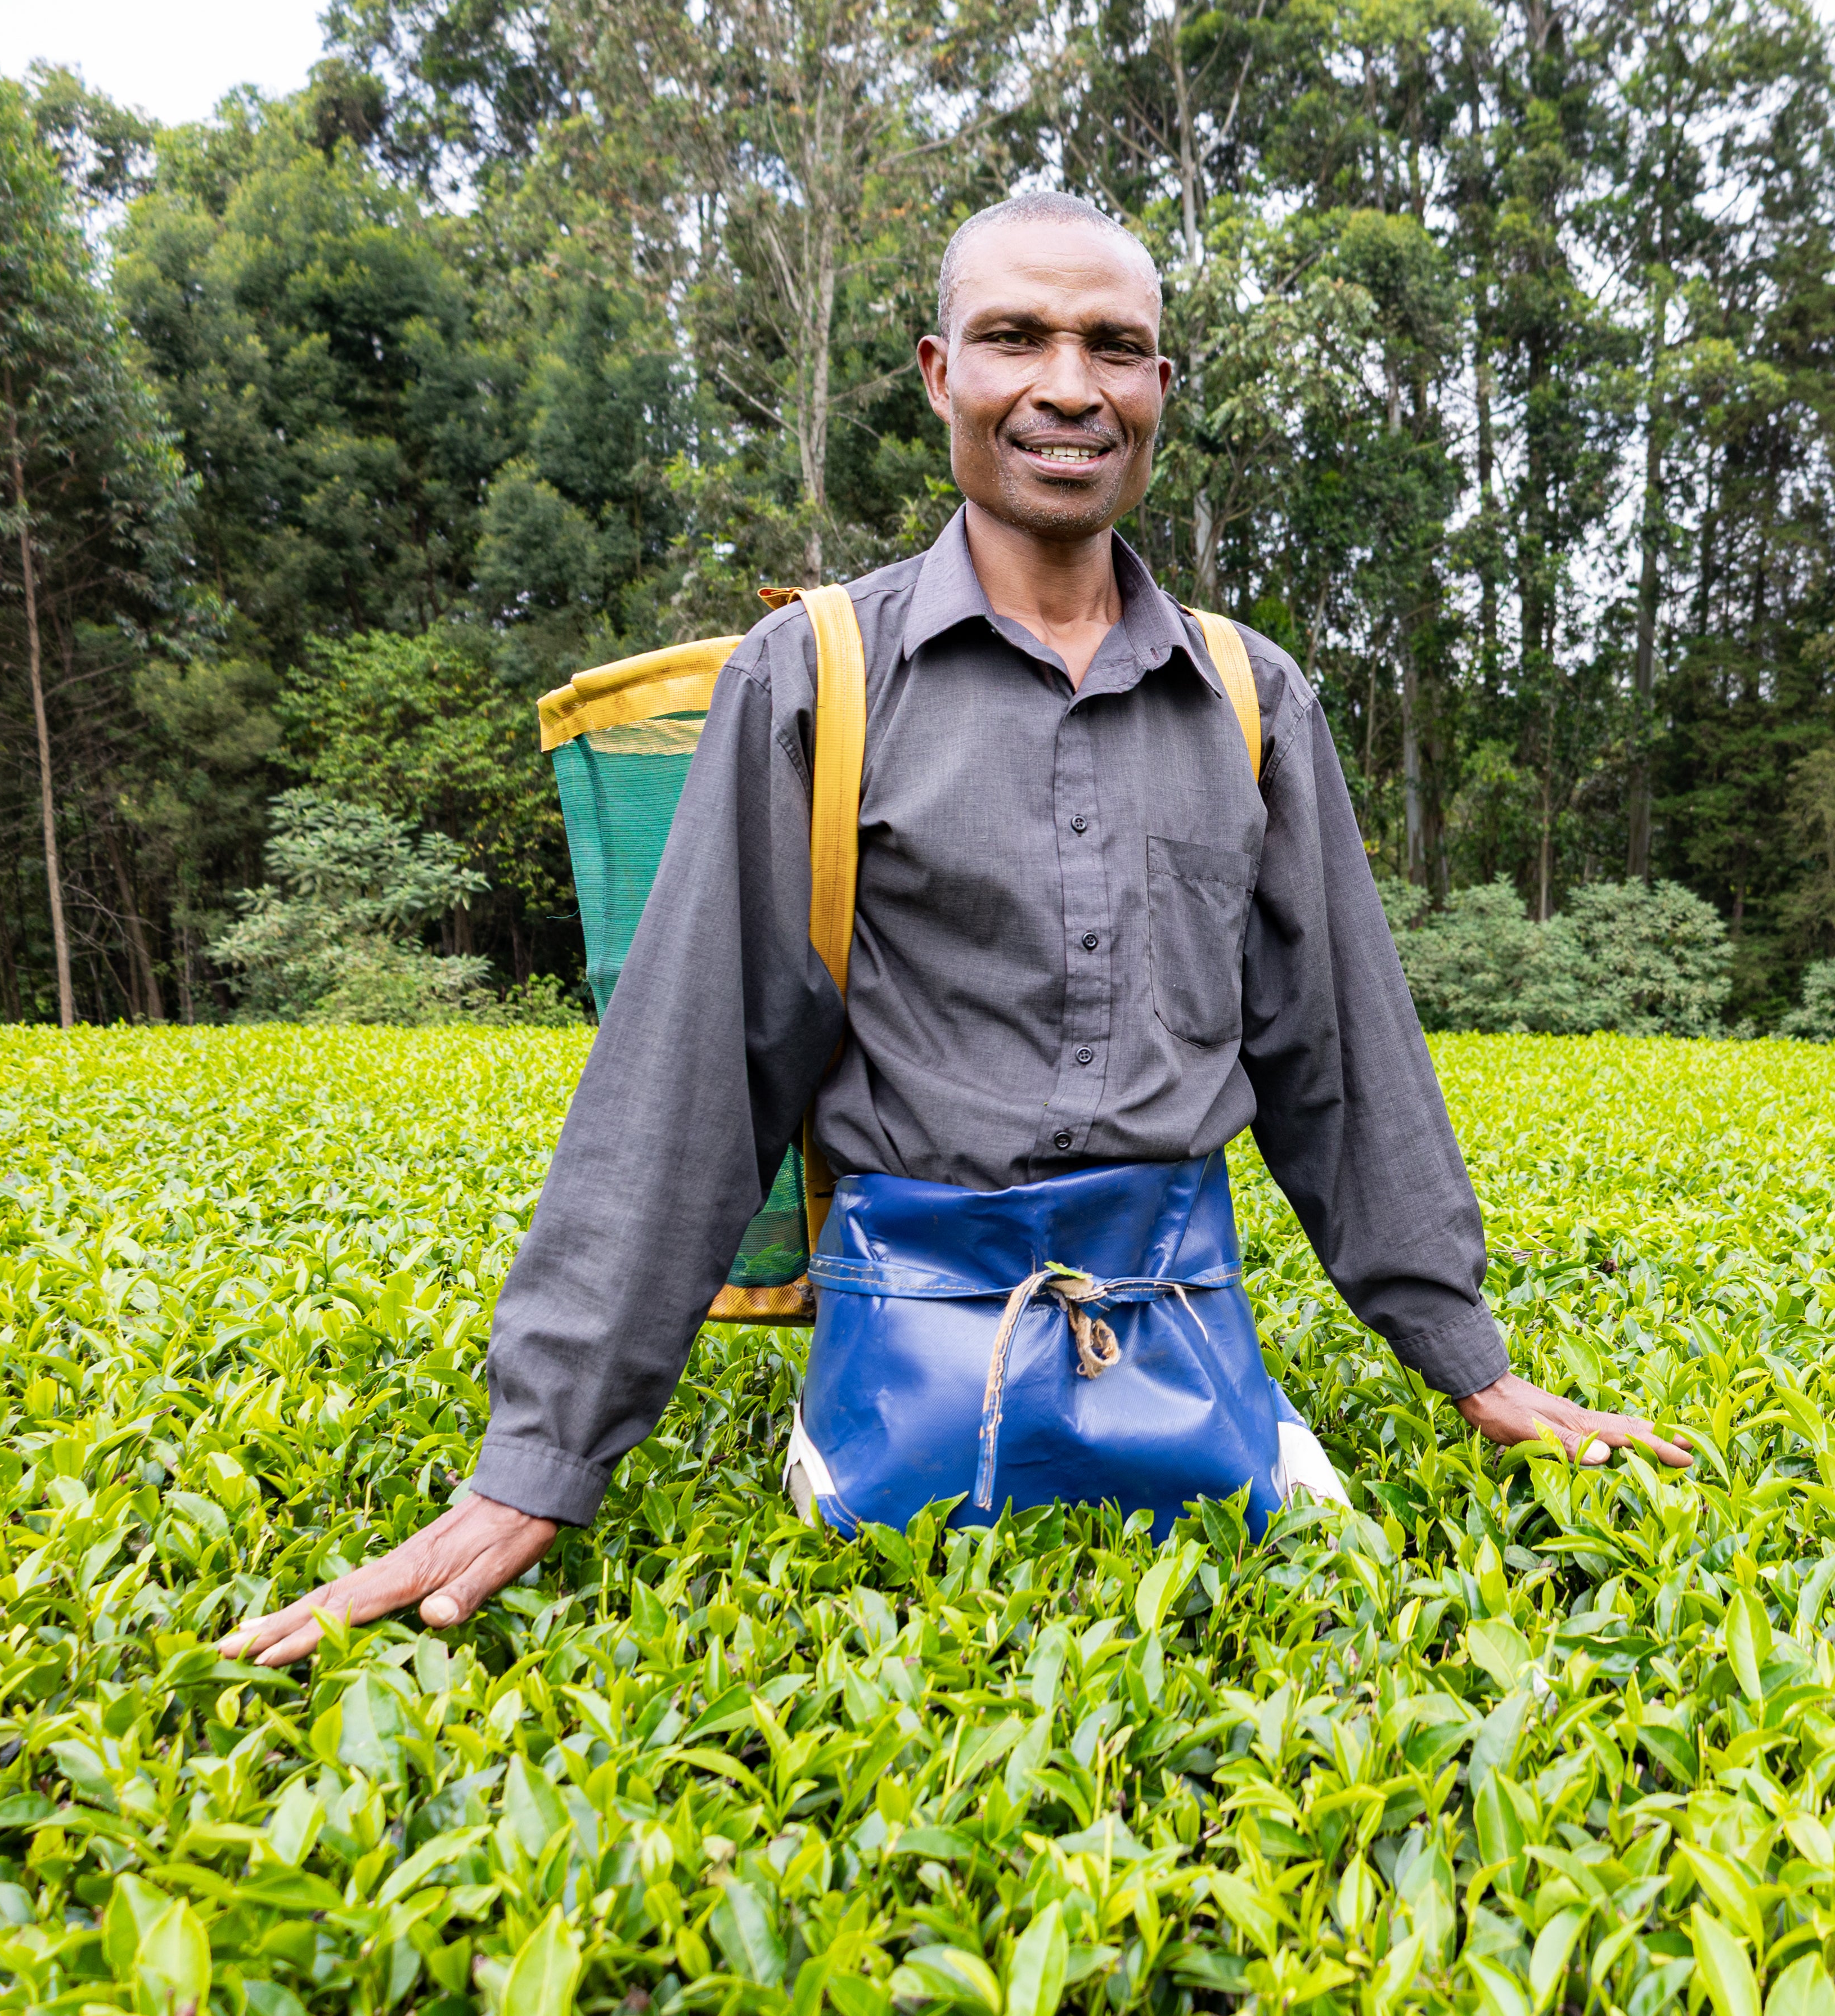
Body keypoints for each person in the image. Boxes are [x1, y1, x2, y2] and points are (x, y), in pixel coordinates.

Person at [223, 190, 1690, 1667]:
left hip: (1181, 1317)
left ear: (1159, 391)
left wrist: (1471, 1366)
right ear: (941, 375)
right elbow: (689, 1077)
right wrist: (533, 1469)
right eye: (1015, 338)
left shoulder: (1254, 698)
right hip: (906, 1330)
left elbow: (1340, 1061)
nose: (1068, 386)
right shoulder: (813, 678)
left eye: (1115, 346)